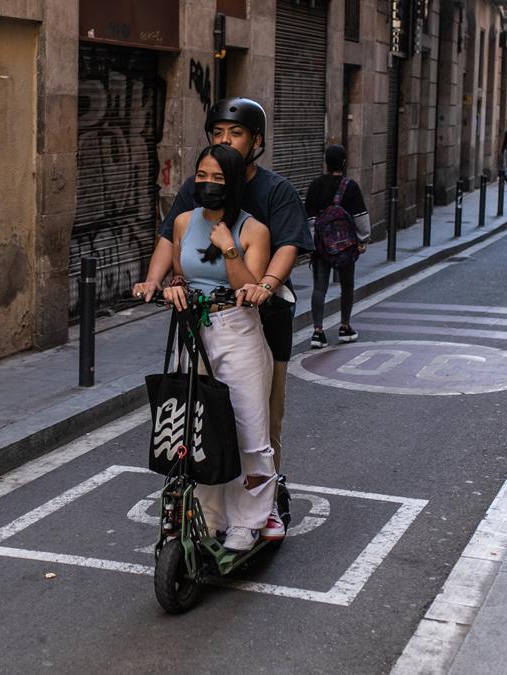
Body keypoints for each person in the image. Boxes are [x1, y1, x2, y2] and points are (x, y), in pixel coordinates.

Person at [133, 97, 312, 542]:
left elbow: (288, 245)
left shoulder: (274, 192)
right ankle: (207, 509)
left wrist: (265, 285)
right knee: (202, 421)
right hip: (201, 322)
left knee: (260, 420)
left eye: (234, 133)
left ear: (256, 142)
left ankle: (263, 509)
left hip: (261, 318)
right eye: (217, 133)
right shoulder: (195, 191)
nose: (225, 141)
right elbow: (169, 236)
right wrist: (156, 281)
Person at [160, 144, 276, 551]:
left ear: (232, 183)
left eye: (217, 179)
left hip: (237, 329)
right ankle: (208, 517)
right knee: (200, 432)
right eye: (201, 176)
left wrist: (228, 245)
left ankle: (249, 520)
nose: (206, 185)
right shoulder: (182, 223)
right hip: (194, 331)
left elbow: (250, 285)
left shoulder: (253, 230)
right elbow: (180, 274)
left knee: (248, 429)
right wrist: (173, 289)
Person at [304, 144, 370, 349]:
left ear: (326, 161)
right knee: (347, 285)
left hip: (321, 247)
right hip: (346, 247)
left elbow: (309, 218)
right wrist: (363, 240)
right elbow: (361, 217)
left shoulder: (315, 185)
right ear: (343, 162)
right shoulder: (350, 186)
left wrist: (314, 243)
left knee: (319, 287)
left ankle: (318, 332)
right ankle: (344, 327)